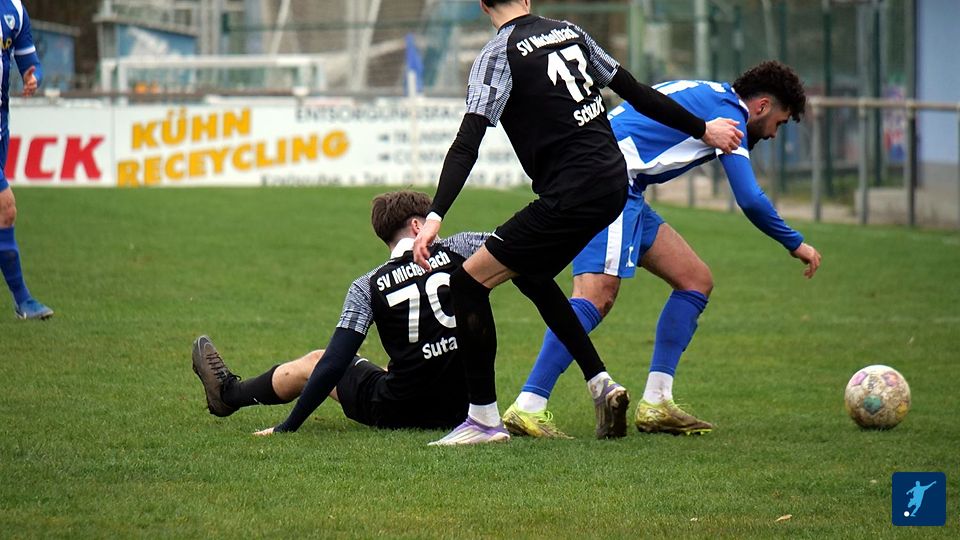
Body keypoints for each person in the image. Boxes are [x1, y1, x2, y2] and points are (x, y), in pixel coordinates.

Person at [413, 0, 743, 445]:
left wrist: (435, 214)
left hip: (572, 194)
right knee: (531, 274)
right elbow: (636, 91)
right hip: (613, 183)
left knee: (468, 284)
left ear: (483, 5)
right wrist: (703, 128)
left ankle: (483, 420)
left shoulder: (497, 55)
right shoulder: (569, 32)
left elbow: (468, 140)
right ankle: (600, 383)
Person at [502, 61, 822, 438]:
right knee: (595, 296)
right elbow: (750, 199)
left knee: (694, 280)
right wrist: (795, 242)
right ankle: (529, 404)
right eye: (779, 123)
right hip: (607, 182)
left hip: (621, 183)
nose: (773, 134)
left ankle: (657, 402)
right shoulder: (730, 115)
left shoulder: (709, 93)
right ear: (762, 106)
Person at [192, 191, 485, 434]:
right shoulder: (461, 248)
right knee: (412, 363)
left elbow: (333, 364)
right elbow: (510, 245)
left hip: (399, 410)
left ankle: (229, 395)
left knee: (317, 360)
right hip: (470, 405)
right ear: (418, 226)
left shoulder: (367, 285)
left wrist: (288, 426)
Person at [0, 0, 51, 319]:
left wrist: (33, 77)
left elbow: (30, 62)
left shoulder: (14, 9)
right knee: (5, 208)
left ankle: (24, 302)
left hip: (1, 129)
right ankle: (24, 300)